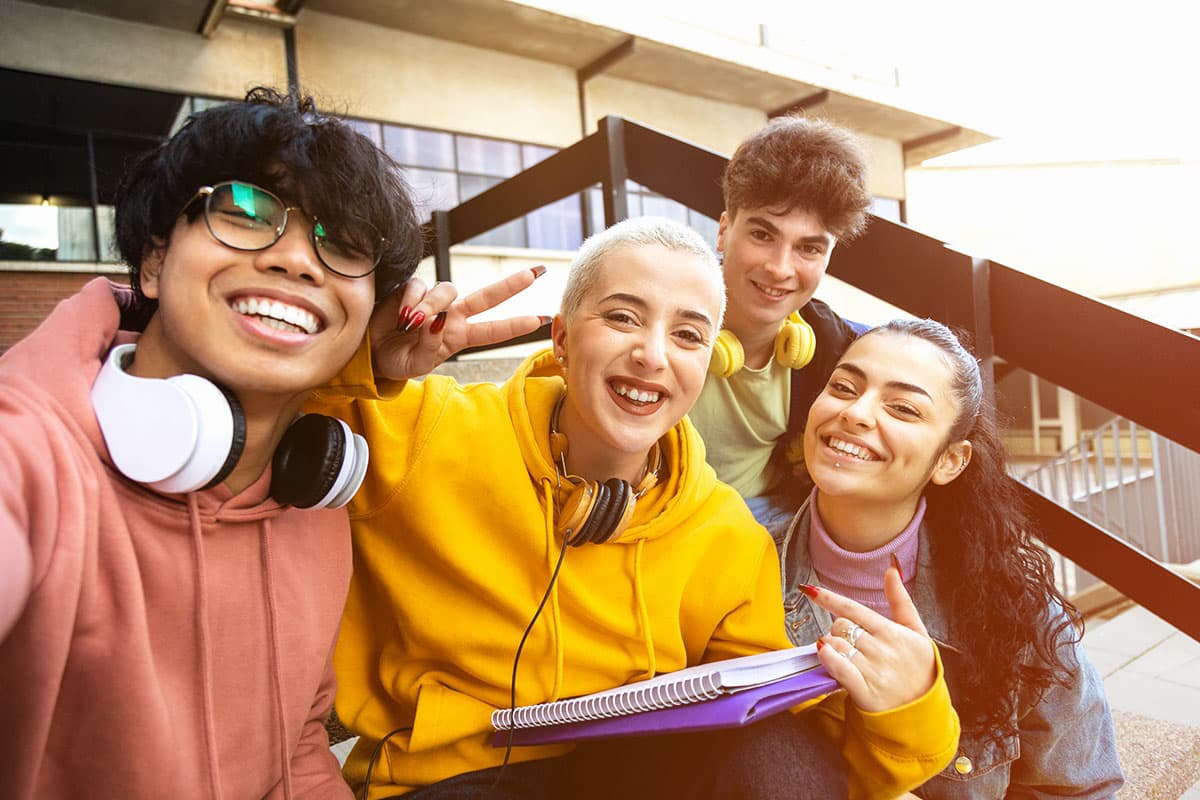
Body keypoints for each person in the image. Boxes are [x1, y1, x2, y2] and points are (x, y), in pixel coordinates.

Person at [308, 216, 961, 800]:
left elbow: (795, 765)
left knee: (779, 754)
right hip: (449, 781)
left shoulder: (727, 535)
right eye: (622, 318)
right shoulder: (426, 429)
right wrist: (364, 362)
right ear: (561, 339)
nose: (652, 355)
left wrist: (907, 704)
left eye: (687, 335)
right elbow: (253, 418)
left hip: (627, 777)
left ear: (707, 363)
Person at [0, 87, 430, 798]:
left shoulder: (313, 509)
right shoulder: (33, 455)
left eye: (344, 245)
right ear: (152, 263)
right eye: (245, 214)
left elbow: (296, 751)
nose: (298, 261)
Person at [775, 318, 1124, 798]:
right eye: (843, 386)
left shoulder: (1020, 615)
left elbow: (1080, 789)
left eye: (903, 407)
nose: (856, 412)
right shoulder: (742, 566)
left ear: (950, 461)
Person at [687, 114, 871, 531]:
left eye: (808, 248)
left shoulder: (831, 345)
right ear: (723, 231)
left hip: (771, 518)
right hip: (662, 512)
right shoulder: (658, 319)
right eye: (762, 235)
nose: (780, 268)